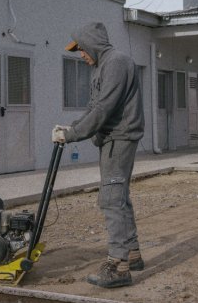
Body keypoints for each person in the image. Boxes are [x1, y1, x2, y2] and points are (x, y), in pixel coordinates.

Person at [52, 22, 145, 288]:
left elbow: (104, 109)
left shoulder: (116, 62)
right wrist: (72, 127)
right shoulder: (102, 67)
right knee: (120, 197)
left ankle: (118, 265)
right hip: (112, 137)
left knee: (111, 199)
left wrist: (71, 135)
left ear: (93, 43)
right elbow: (94, 107)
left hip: (119, 138)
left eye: (82, 48)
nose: (80, 54)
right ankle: (133, 254)